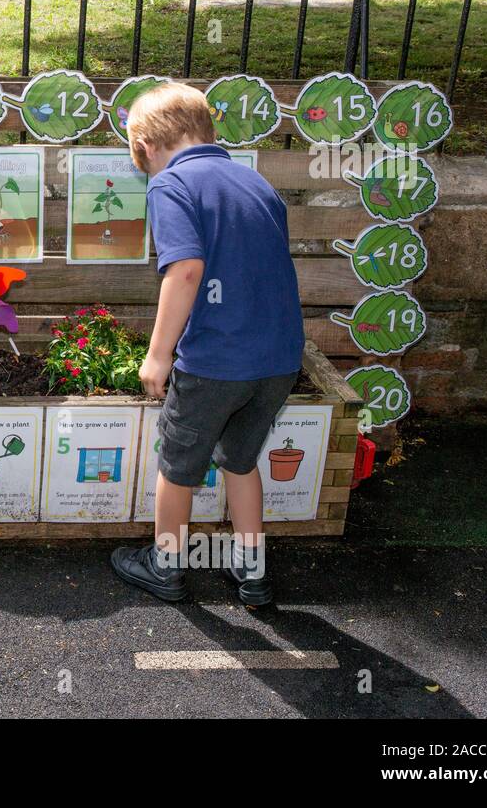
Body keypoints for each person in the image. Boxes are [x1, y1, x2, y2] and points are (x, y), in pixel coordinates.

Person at [110, 82, 304, 606]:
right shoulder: (254, 183)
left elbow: (187, 269)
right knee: (240, 462)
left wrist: (158, 354)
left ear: (147, 147)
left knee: (178, 466)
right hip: (278, 359)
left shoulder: (170, 186)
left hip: (217, 360)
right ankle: (254, 575)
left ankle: (166, 567)